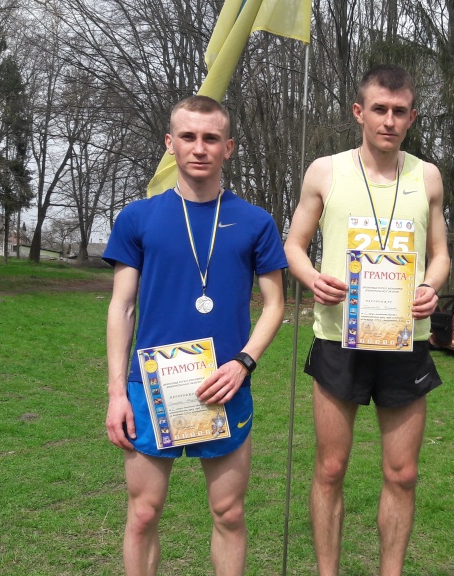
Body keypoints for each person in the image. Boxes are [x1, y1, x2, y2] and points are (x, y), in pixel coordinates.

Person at [103, 96, 287, 576]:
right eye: (188, 137)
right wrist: (116, 394)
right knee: (144, 513)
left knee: (229, 513)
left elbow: (275, 305)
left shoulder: (256, 222)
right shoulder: (138, 218)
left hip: (224, 385)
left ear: (229, 147)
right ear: (170, 143)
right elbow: (122, 307)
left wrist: (243, 362)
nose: (199, 148)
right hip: (150, 388)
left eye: (210, 138)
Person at [283, 64, 450, 576]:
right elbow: (294, 246)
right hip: (340, 337)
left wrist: (430, 286)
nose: (389, 120)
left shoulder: (427, 176)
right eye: (380, 109)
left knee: (402, 474)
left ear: (412, 117)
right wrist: (313, 279)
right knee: (330, 468)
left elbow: (441, 254)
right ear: (359, 112)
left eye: (400, 111)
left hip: (405, 341)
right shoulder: (325, 171)